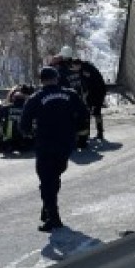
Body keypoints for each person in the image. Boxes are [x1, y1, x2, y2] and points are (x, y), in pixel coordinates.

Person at [19, 66, 89, 232]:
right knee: (54, 177)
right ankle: (48, 209)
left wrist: (28, 134)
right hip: (65, 145)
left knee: (46, 181)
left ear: (41, 80)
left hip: (45, 144)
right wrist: (77, 131)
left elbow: (24, 123)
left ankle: (53, 218)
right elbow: (84, 114)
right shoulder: (70, 94)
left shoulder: (36, 98)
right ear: (56, 78)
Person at [70, 57, 108, 141]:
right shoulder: (84, 67)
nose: (73, 69)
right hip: (95, 92)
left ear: (78, 65)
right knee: (90, 112)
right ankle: (92, 133)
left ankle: (97, 132)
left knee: (94, 112)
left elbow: (90, 82)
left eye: (74, 67)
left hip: (97, 92)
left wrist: (86, 93)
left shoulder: (85, 70)